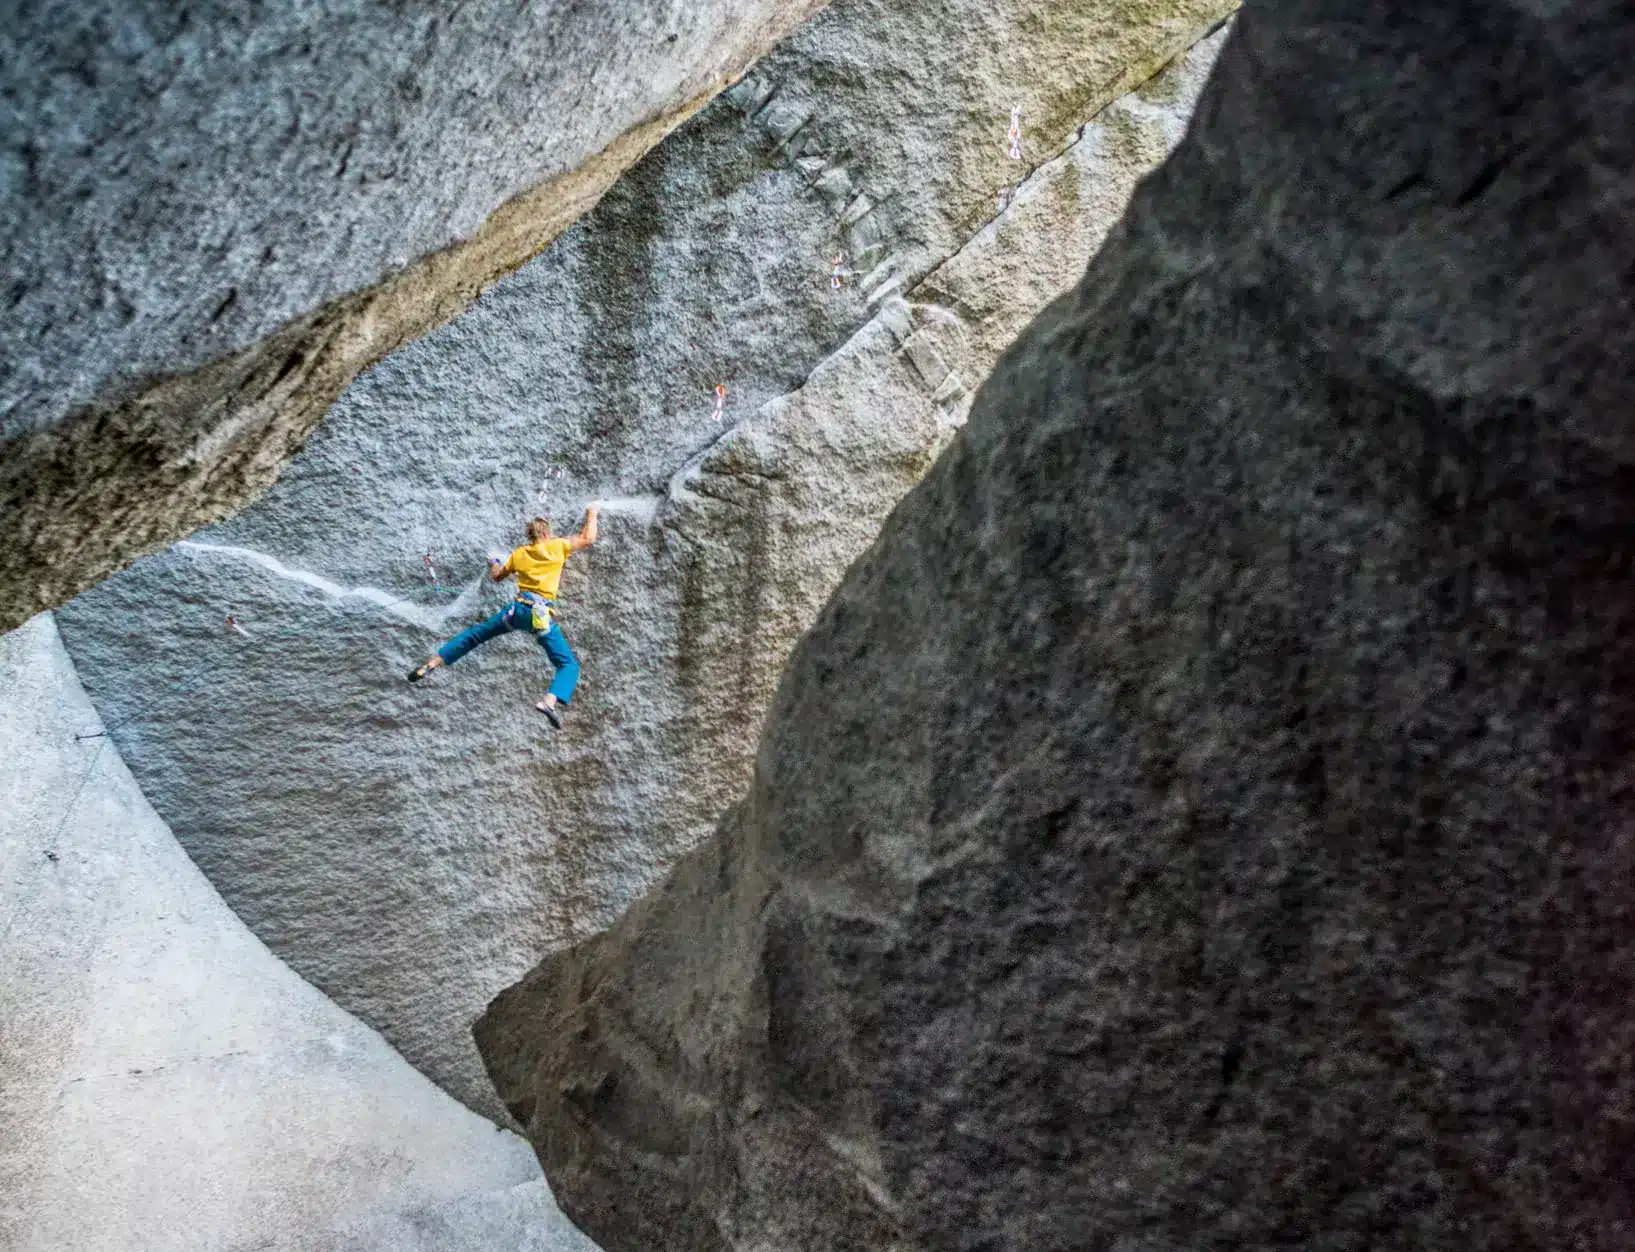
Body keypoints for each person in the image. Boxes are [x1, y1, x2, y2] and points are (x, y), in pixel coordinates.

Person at [407, 505, 599, 727]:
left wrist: (495, 562)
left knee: (475, 635)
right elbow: (588, 538)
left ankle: (432, 663)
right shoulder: (558, 546)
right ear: (547, 533)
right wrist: (592, 513)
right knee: (568, 664)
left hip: (516, 611)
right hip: (539, 616)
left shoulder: (520, 554)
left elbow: (497, 576)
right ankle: (548, 702)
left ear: (531, 535)